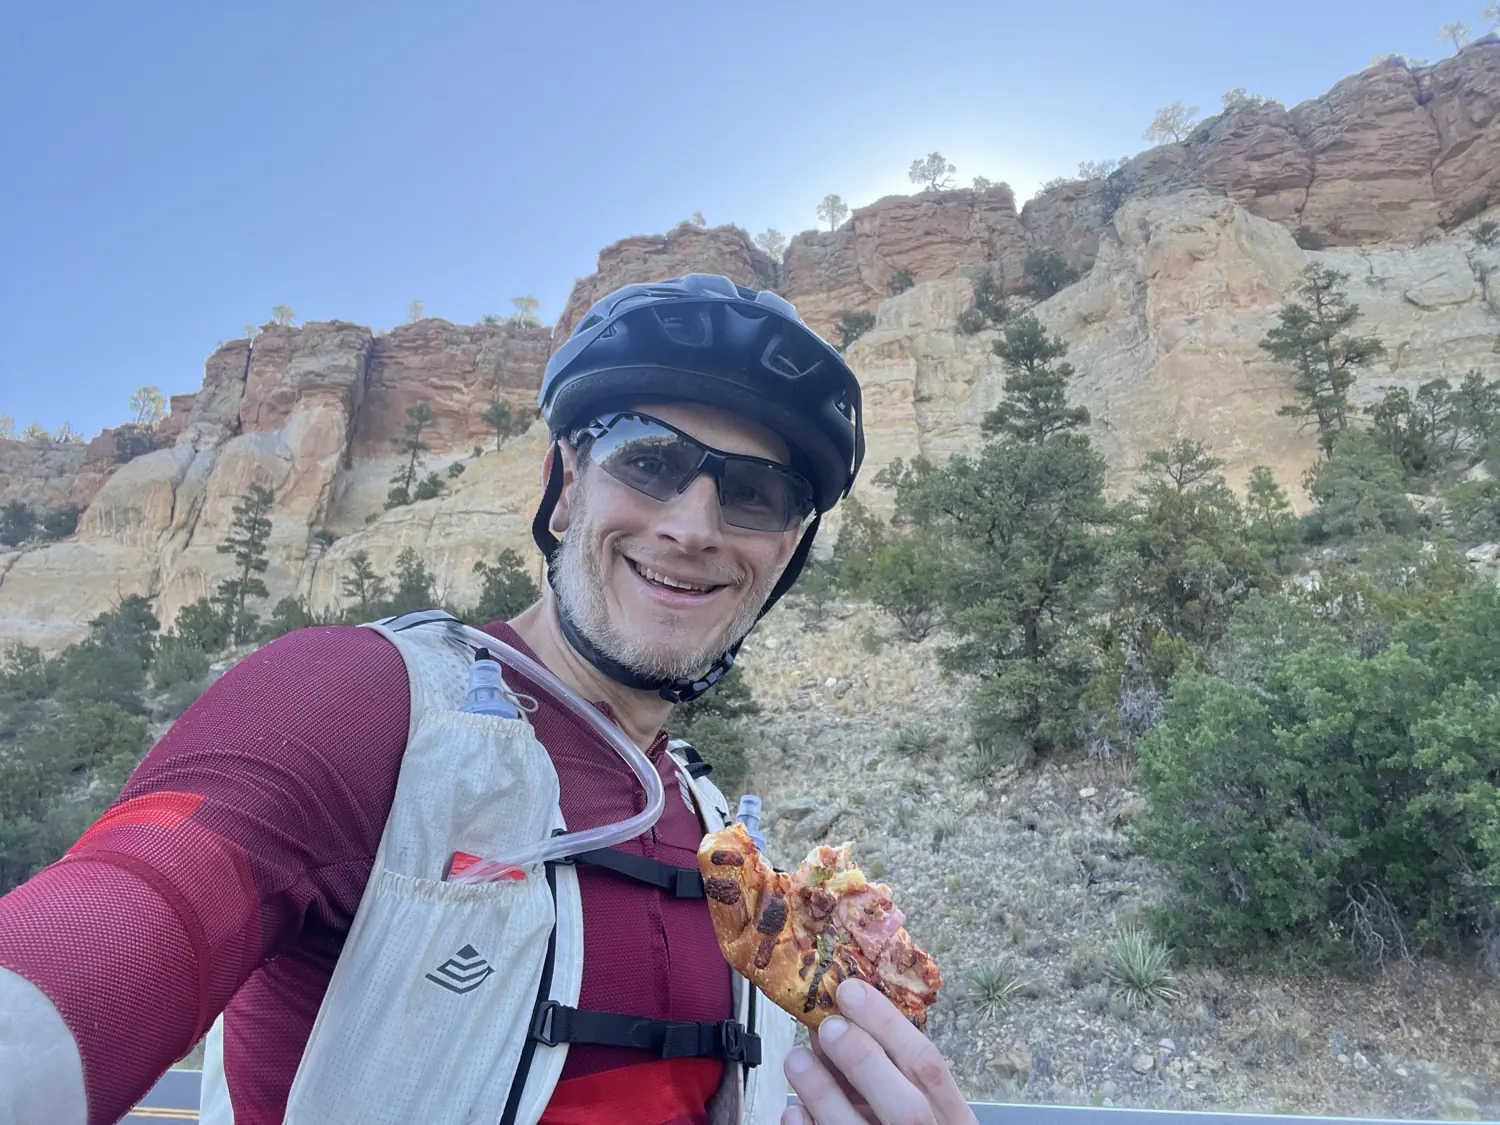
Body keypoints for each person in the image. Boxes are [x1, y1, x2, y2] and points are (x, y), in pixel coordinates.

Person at [0, 275, 977, 1125]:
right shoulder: (359, 701)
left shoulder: (722, 835)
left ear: (782, 559)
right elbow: (125, 915)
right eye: (648, 461)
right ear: (562, 495)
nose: (692, 525)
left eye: (754, 495)